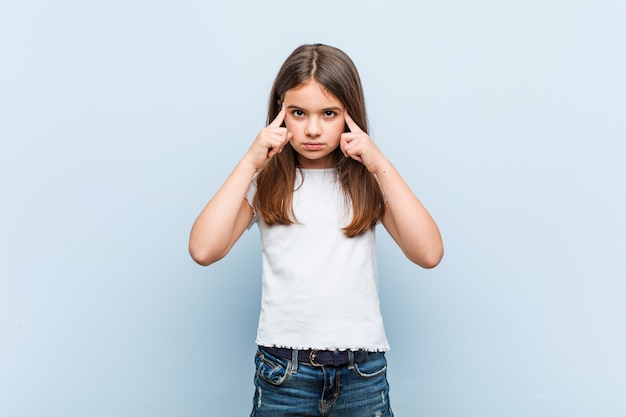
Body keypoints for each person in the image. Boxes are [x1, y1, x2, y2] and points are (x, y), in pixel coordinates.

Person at [189, 43, 443, 417]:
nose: (312, 128)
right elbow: (203, 249)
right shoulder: (267, 182)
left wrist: (381, 166)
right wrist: (249, 162)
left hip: (362, 374)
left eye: (328, 113)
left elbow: (429, 254)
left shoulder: (369, 180)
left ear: (349, 115)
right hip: (283, 373)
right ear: (280, 112)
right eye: (297, 113)